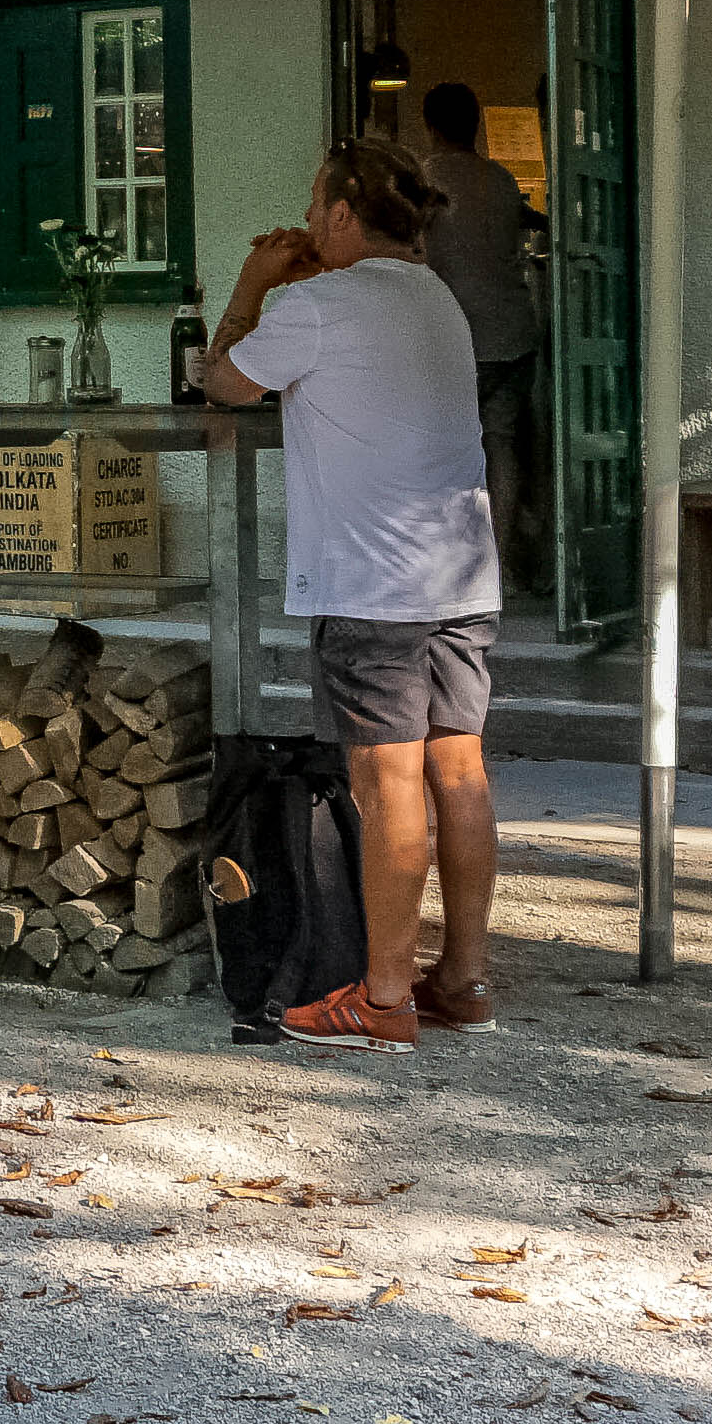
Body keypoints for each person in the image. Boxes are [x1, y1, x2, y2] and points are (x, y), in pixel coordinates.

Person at [201, 139, 504, 1052]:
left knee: (385, 780)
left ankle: (379, 997)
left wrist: (253, 281)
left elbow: (223, 382)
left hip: (373, 581)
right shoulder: (437, 299)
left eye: (313, 203)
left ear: (339, 213)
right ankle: (462, 977)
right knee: (459, 769)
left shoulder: (316, 304)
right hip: (461, 571)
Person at [413, 85, 545, 572]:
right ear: (476, 125)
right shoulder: (501, 178)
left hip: (451, 335)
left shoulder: (420, 182)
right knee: (502, 444)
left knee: (447, 449)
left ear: (429, 125)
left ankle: (452, 568)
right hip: (512, 331)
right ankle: (500, 562)